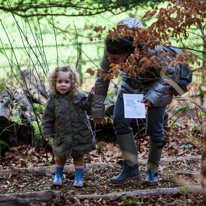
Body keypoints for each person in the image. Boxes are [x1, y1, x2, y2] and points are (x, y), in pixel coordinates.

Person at [91, 18, 180, 186]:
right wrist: (97, 112)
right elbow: (102, 78)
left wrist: (152, 97)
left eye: (115, 59)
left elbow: (171, 73)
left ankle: (152, 171)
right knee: (119, 122)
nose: (111, 61)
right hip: (131, 84)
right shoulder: (111, 49)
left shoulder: (151, 49)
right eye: (108, 57)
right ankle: (130, 169)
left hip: (157, 85)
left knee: (154, 128)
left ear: (127, 54)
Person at [42, 65, 95, 188]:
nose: (63, 85)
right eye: (59, 82)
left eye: (67, 82)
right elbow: (47, 119)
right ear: (54, 82)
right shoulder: (53, 100)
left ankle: (78, 177)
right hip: (62, 135)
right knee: (60, 156)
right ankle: (58, 175)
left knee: (78, 155)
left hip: (78, 133)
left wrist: (92, 95)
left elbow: (87, 106)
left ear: (73, 82)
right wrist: (47, 133)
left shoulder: (79, 96)